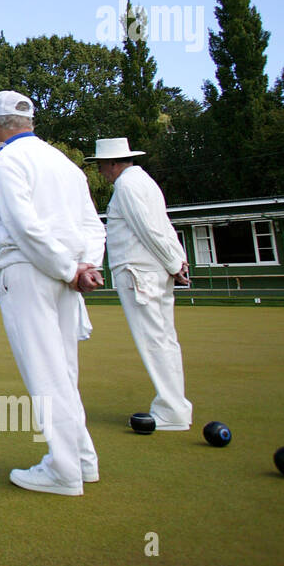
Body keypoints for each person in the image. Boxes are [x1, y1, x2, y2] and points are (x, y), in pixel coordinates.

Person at [0, 91, 107, 496]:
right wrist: (85, 267)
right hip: (68, 275)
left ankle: (64, 472)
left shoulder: (7, 161)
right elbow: (93, 225)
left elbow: (24, 226)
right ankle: (82, 460)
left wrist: (71, 269)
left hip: (30, 272)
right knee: (64, 372)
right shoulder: (66, 164)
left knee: (46, 373)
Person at [87, 137, 193, 430]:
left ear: (112, 163)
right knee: (164, 338)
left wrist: (174, 264)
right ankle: (175, 407)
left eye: (101, 166)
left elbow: (148, 229)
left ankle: (171, 411)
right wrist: (177, 259)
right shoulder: (145, 181)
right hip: (151, 270)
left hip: (139, 272)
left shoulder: (127, 185)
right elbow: (164, 225)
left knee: (154, 340)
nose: (100, 172)